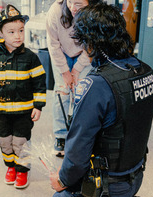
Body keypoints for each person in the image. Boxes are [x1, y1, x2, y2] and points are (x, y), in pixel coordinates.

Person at [37, 3, 153, 197]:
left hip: (105, 188)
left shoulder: (97, 85)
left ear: (91, 43)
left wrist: (62, 180)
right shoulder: (146, 71)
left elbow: (77, 153)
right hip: (135, 176)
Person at [0, 5, 46, 189]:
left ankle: (22, 170)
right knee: (5, 141)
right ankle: (11, 167)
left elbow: (39, 82)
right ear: (0, 33)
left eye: (21, 31)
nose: (18, 36)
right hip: (0, 111)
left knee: (21, 142)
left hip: (24, 111)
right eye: (12, 31)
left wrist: (38, 105)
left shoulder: (31, 58)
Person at [46, 0, 98, 157]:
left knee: (81, 94)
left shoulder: (96, 14)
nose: (72, 8)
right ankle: (60, 136)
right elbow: (53, 45)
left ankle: (78, 135)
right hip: (61, 53)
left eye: (78, 4)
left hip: (84, 55)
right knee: (62, 93)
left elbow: (92, 45)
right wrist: (65, 72)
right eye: (69, 2)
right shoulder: (55, 11)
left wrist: (76, 69)